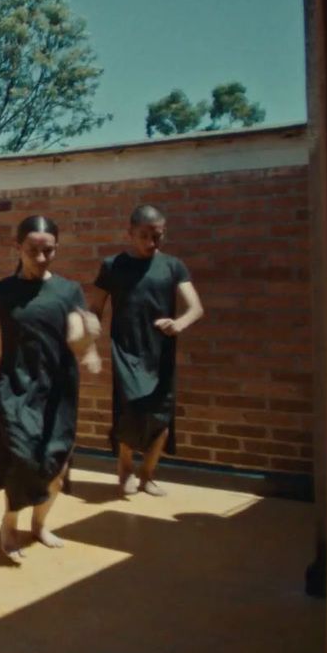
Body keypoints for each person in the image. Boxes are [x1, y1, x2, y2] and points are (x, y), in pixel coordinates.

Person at [0, 216, 102, 559]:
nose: (40, 257)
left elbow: (79, 335)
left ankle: (39, 523)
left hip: (59, 391)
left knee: (57, 467)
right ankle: (9, 522)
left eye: (47, 250)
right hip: (16, 388)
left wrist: (90, 348)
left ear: (55, 249)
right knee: (22, 460)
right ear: (17, 247)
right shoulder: (2, 291)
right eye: (33, 250)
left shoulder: (68, 291)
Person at [90, 205, 205, 497]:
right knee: (131, 411)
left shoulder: (173, 266)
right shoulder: (113, 265)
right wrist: (89, 338)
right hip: (126, 351)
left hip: (160, 353)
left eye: (157, 236)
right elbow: (95, 308)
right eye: (143, 236)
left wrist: (179, 323)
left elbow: (196, 308)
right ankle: (125, 468)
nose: (151, 243)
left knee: (161, 417)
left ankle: (147, 475)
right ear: (130, 233)